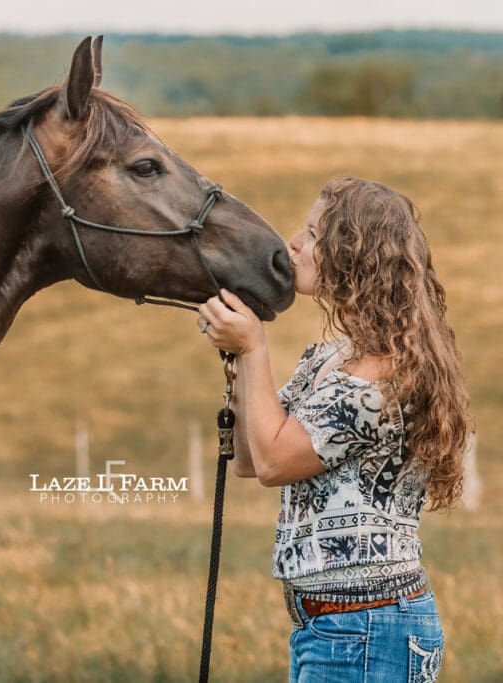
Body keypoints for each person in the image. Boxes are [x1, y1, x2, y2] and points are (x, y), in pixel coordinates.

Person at [197, 177, 473, 683]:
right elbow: (251, 460)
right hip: (331, 628)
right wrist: (239, 353)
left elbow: (278, 462)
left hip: (368, 630)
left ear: (354, 257)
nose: (294, 244)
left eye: (312, 234)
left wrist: (255, 349)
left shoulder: (384, 379)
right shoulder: (329, 359)